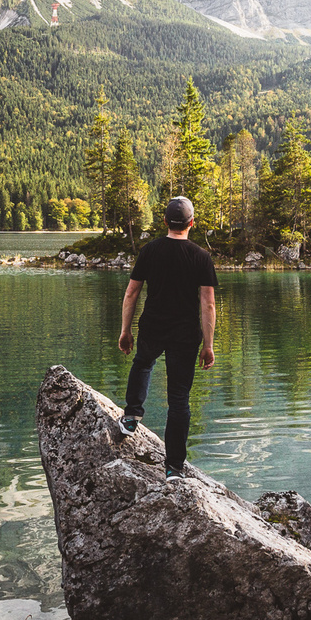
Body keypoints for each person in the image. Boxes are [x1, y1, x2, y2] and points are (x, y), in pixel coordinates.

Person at [118, 195, 218, 477]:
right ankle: (174, 468)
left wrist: (125, 331)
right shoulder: (201, 256)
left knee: (143, 363)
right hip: (186, 336)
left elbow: (131, 293)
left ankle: (131, 416)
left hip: (153, 327)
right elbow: (208, 304)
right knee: (179, 399)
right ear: (192, 223)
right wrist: (208, 345)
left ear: (165, 221)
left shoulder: (150, 250)